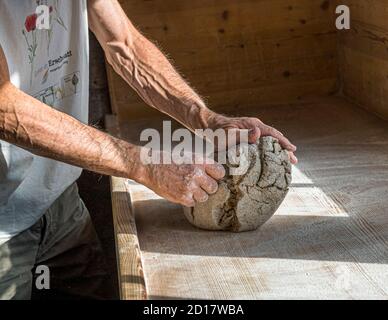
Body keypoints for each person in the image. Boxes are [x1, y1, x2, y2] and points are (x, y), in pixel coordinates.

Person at [0, 0, 297, 300]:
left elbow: (125, 45)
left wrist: (207, 120)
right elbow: (4, 108)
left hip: (58, 198)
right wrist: (146, 165)